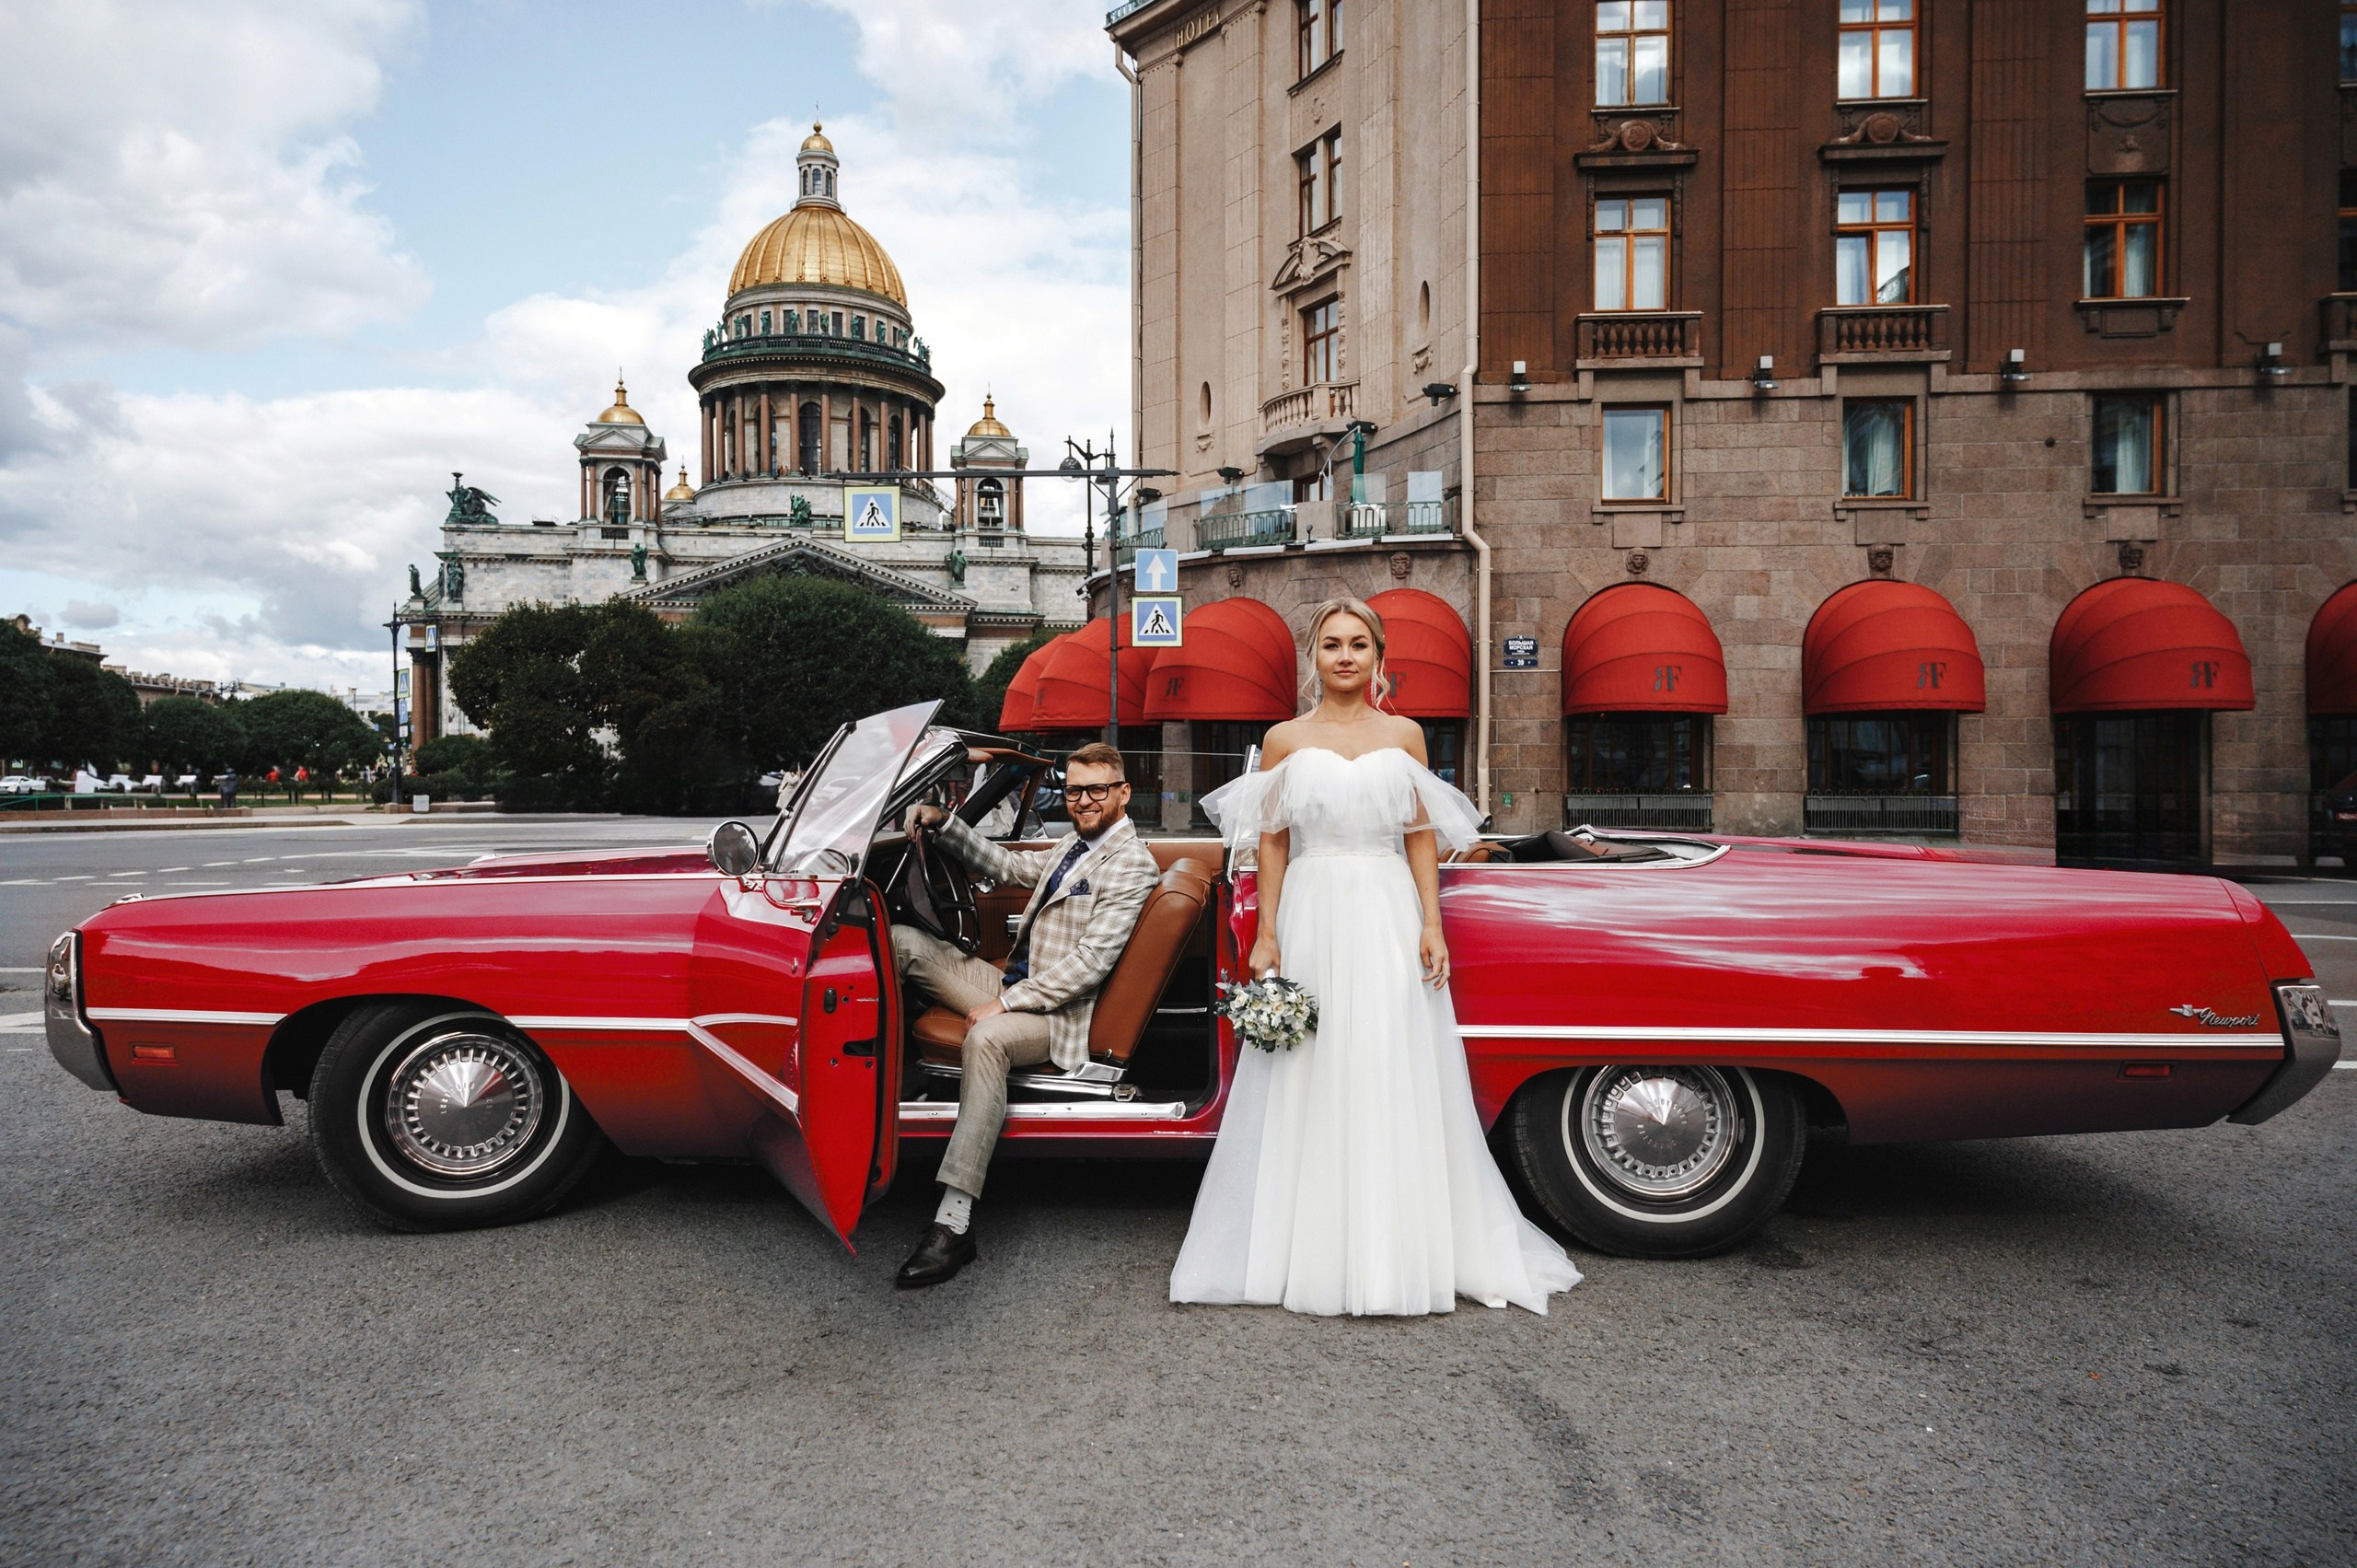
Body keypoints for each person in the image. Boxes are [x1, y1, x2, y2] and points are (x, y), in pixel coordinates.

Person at [1169, 597, 1583, 1317]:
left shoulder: (1407, 735)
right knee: (1313, 1063)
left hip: (1388, 906)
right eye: (1332, 644)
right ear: (1314, 657)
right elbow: (1272, 841)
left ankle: (1397, 1244)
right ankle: (1304, 1245)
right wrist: (1266, 932)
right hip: (1312, 904)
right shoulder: (1283, 739)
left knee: (1390, 1057)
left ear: (1379, 656)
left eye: (1359, 644)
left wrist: (1432, 923)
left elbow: (1419, 832)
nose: (1345, 656)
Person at [890, 742, 1163, 1288]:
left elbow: (1089, 965)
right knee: (900, 941)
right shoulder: (1076, 844)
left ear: (1123, 794)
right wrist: (945, 824)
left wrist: (1004, 1003)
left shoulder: (1130, 863)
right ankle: (873, 1090)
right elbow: (1011, 865)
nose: (1083, 801)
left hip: (1061, 1016)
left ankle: (954, 1222)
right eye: (1076, 790)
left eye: (1097, 790)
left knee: (987, 1039)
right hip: (1020, 983)